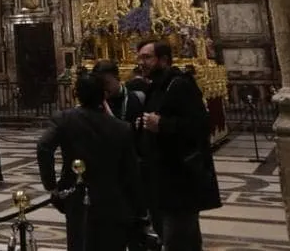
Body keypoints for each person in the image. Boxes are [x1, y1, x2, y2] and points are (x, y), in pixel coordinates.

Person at [37, 72, 147, 251]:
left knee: (79, 241)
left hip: (76, 194)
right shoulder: (122, 128)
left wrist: (51, 185)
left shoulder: (65, 119)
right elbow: (131, 172)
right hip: (112, 197)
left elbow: (44, 146)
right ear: (104, 94)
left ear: (76, 94)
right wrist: (140, 210)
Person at [136, 40, 222, 251]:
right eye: (140, 58)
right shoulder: (157, 86)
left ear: (164, 60)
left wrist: (162, 124)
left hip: (180, 179)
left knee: (178, 237)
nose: (140, 63)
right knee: (173, 235)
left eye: (146, 57)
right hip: (162, 178)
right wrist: (143, 123)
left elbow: (201, 125)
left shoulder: (180, 84)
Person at [94, 60, 147, 136]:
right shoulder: (96, 102)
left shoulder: (137, 99)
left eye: (106, 83)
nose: (103, 88)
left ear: (117, 78)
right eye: (99, 84)